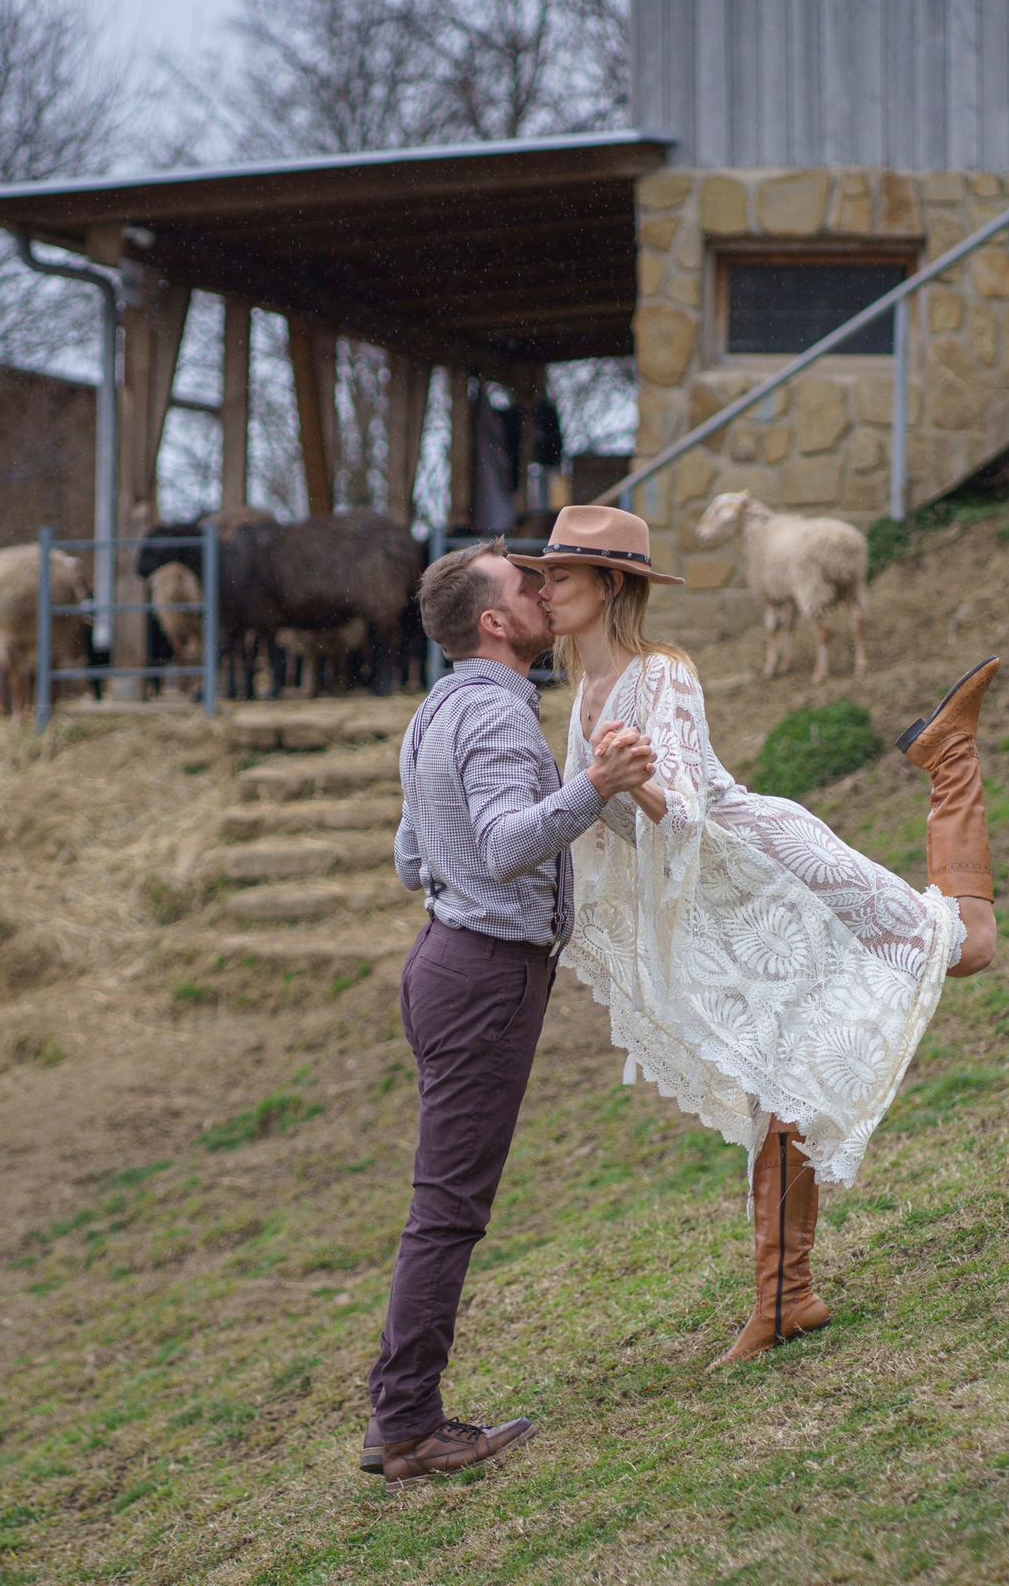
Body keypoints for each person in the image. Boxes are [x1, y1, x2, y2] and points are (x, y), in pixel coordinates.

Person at [536, 503, 1000, 1369]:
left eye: (558, 575)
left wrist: (627, 781)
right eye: (541, 575)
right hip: (723, 911)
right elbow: (589, 822)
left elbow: (682, 806)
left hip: (777, 867)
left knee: (969, 943)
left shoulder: (663, 673)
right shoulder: (583, 698)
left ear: (608, 586)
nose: (544, 589)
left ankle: (951, 760)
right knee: (775, 1084)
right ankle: (787, 1297)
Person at [362, 538, 658, 1483]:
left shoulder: (436, 710)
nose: (542, 593)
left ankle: (401, 1414)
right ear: (493, 622)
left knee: (443, 1200)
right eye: (525, 587)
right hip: (484, 976)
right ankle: (407, 1425)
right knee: (448, 1207)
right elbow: (500, 847)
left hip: (443, 963)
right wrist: (595, 786)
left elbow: (411, 857)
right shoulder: (494, 714)